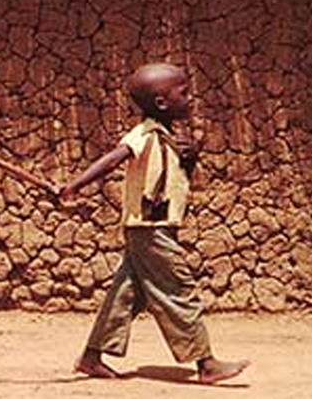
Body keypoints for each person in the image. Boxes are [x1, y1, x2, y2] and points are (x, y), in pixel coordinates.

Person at [59, 62, 250, 385]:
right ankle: (206, 364)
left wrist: (190, 158)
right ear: (161, 103)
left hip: (151, 228)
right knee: (178, 289)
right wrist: (74, 186)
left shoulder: (169, 137)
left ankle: (92, 357)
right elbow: (112, 159)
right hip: (151, 229)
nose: (190, 99)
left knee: (126, 294)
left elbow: (175, 177)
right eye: (184, 93)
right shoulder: (143, 135)